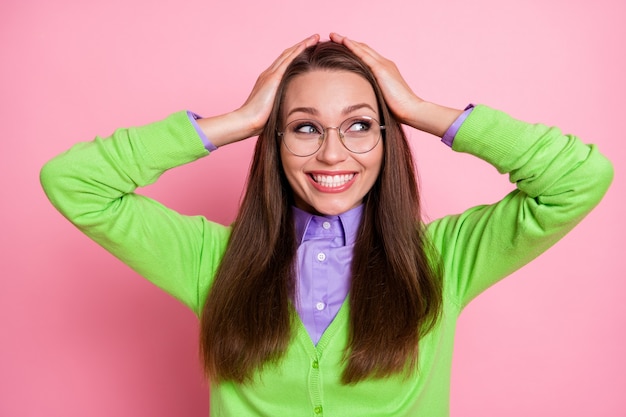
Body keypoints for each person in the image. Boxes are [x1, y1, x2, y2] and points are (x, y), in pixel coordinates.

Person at [40, 33, 613, 416]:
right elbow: (74, 182)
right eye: (306, 128)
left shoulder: (445, 259)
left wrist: (418, 110)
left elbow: (578, 179)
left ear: (388, 140)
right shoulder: (210, 261)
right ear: (276, 141)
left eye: (360, 126)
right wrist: (237, 120)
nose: (333, 155)